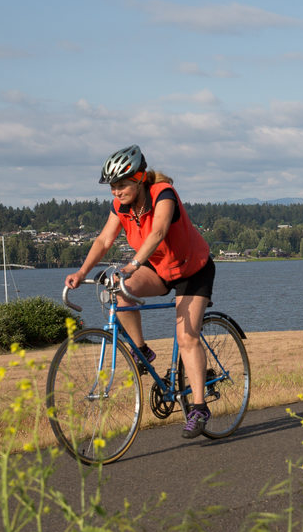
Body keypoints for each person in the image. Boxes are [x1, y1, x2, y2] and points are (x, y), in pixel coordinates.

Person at [64, 145, 217, 439]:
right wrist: (81, 272)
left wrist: (133, 264)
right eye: (112, 187)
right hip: (160, 269)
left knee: (187, 338)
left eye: (121, 185)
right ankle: (141, 350)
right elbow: (104, 240)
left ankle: (199, 407)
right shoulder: (121, 208)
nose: (116, 192)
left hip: (193, 270)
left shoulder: (163, 194)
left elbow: (158, 231)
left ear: (139, 178)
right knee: (120, 290)